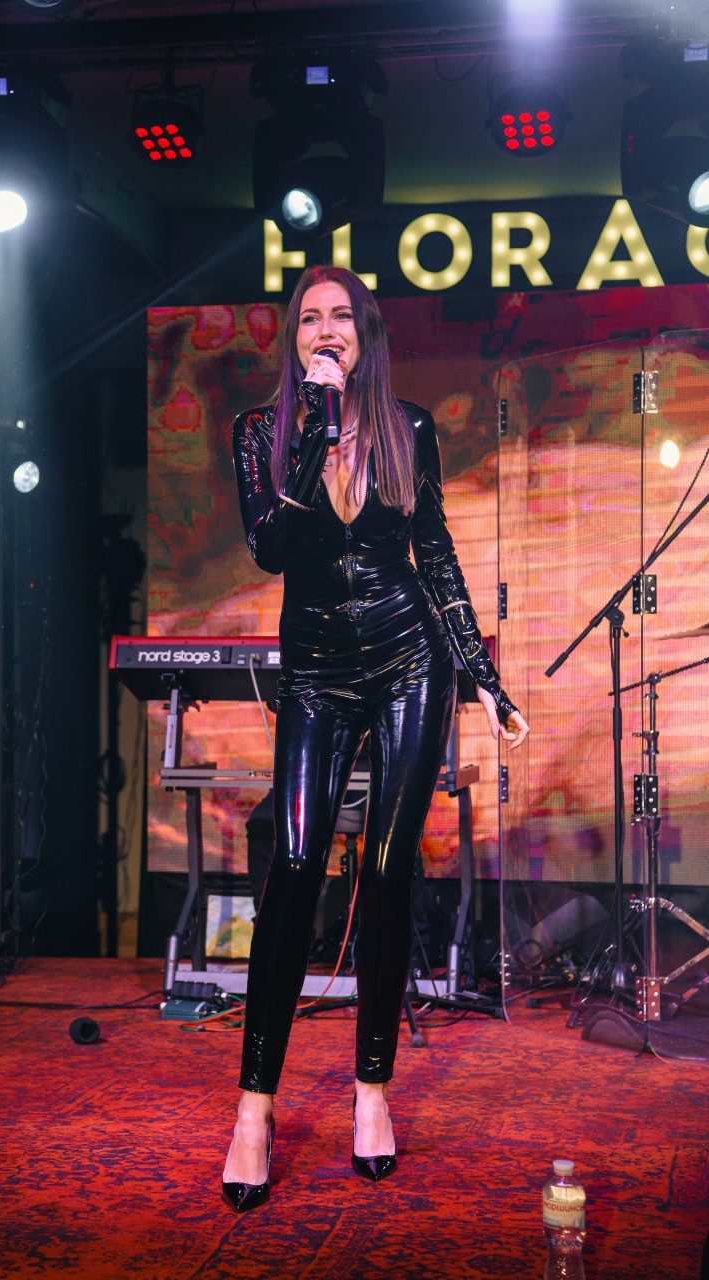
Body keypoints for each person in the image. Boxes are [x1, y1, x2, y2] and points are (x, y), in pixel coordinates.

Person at [223, 265, 529, 1212]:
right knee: (297, 863)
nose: (326, 330)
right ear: (296, 340)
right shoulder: (261, 433)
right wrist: (314, 433)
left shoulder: (409, 428)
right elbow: (270, 547)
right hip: (316, 668)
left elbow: (433, 552)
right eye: (309, 319)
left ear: (366, 334)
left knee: (391, 868)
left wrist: (482, 676)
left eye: (341, 317)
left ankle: (372, 1092)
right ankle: (253, 1110)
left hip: (409, 658)